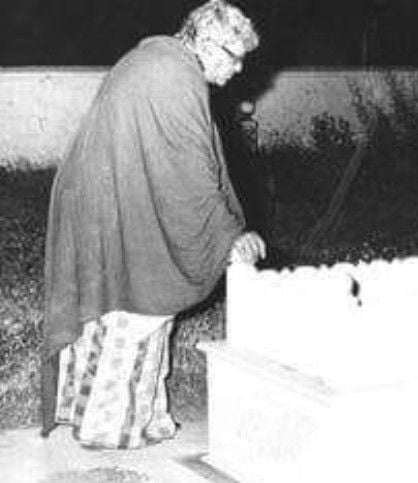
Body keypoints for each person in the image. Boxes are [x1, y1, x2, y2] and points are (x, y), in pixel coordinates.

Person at [40, 0, 266, 449]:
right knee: (139, 308)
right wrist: (229, 235)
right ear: (205, 42)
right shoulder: (173, 78)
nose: (239, 69)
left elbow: (182, 161)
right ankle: (108, 427)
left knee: (120, 312)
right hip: (116, 207)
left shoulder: (158, 59)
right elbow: (187, 175)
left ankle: (142, 417)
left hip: (103, 201)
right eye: (234, 56)